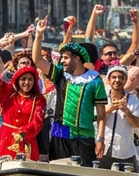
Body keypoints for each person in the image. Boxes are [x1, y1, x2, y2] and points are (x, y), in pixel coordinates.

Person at [32, 16, 107, 164]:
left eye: (65, 58)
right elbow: (38, 60)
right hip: (60, 133)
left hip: (85, 136)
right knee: (58, 171)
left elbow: (101, 113)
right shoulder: (60, 74)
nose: (62, 61)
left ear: (77, 59)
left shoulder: (95, 80)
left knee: (84, 175)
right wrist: (39, 35)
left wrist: (101, 139)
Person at [0, 50, 46, 161]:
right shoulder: (8, 93)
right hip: (5, 138)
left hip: (27, 141)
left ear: (35, 81)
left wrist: (24, 132)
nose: (26, 82)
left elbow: (37, 122)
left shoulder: (38, 100)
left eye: (30, 79)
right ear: (17, 80)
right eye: (23, 79)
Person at [99, 64, 139, 170]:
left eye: (121, 77)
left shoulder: (134, 100)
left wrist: (127, 111)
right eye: (114, 77)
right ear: (108, 80)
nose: (117, 80)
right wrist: (110, 108)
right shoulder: (100, 97)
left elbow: (136, 124)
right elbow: (93, 119)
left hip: (125, 152)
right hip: (102, 150)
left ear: (125, 80)